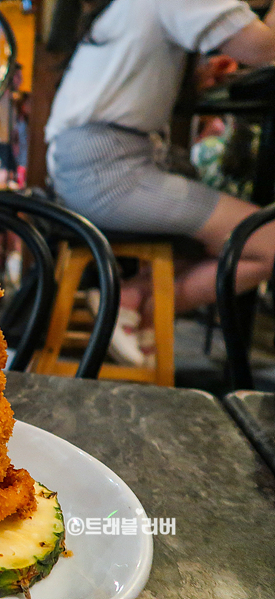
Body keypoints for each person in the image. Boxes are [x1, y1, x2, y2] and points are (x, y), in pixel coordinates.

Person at [45, 0, 275, 366]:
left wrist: (197, 75)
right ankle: (132, 305)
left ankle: (131, 304)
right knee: (268, 242)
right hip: (108, 168)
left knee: (228, 237)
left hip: (89, 162)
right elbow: (265, 48)